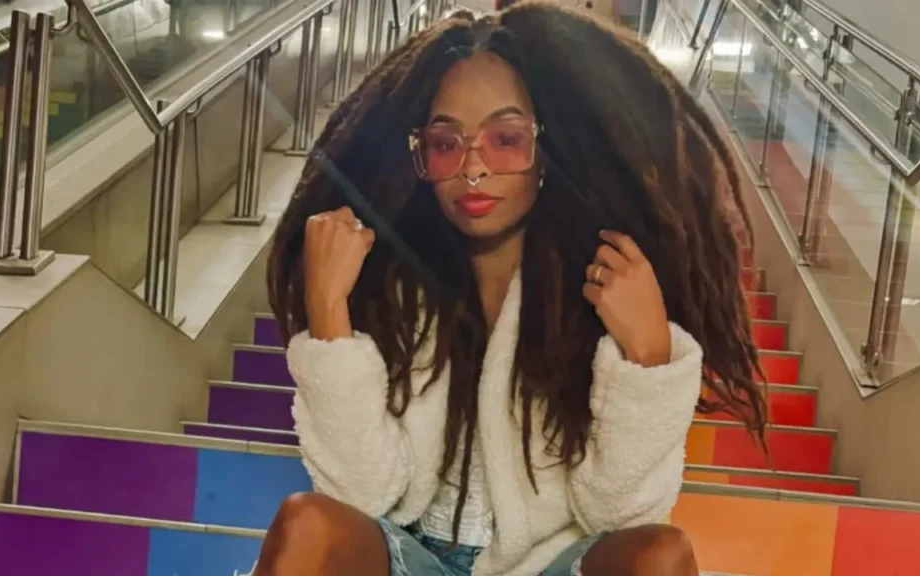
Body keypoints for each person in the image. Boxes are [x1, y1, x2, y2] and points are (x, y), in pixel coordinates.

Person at [257, 3, 767, 575]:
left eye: (504, 138)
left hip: (546, 564)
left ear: (547, 149)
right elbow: (362, 493)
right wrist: (328, 311)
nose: (473, 170)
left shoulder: (600, 296)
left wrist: (648, 356)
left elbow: (618, 513)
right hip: (411, 555)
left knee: (661, 555)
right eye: (446, 144)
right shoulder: (389, 286)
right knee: (308, 524)